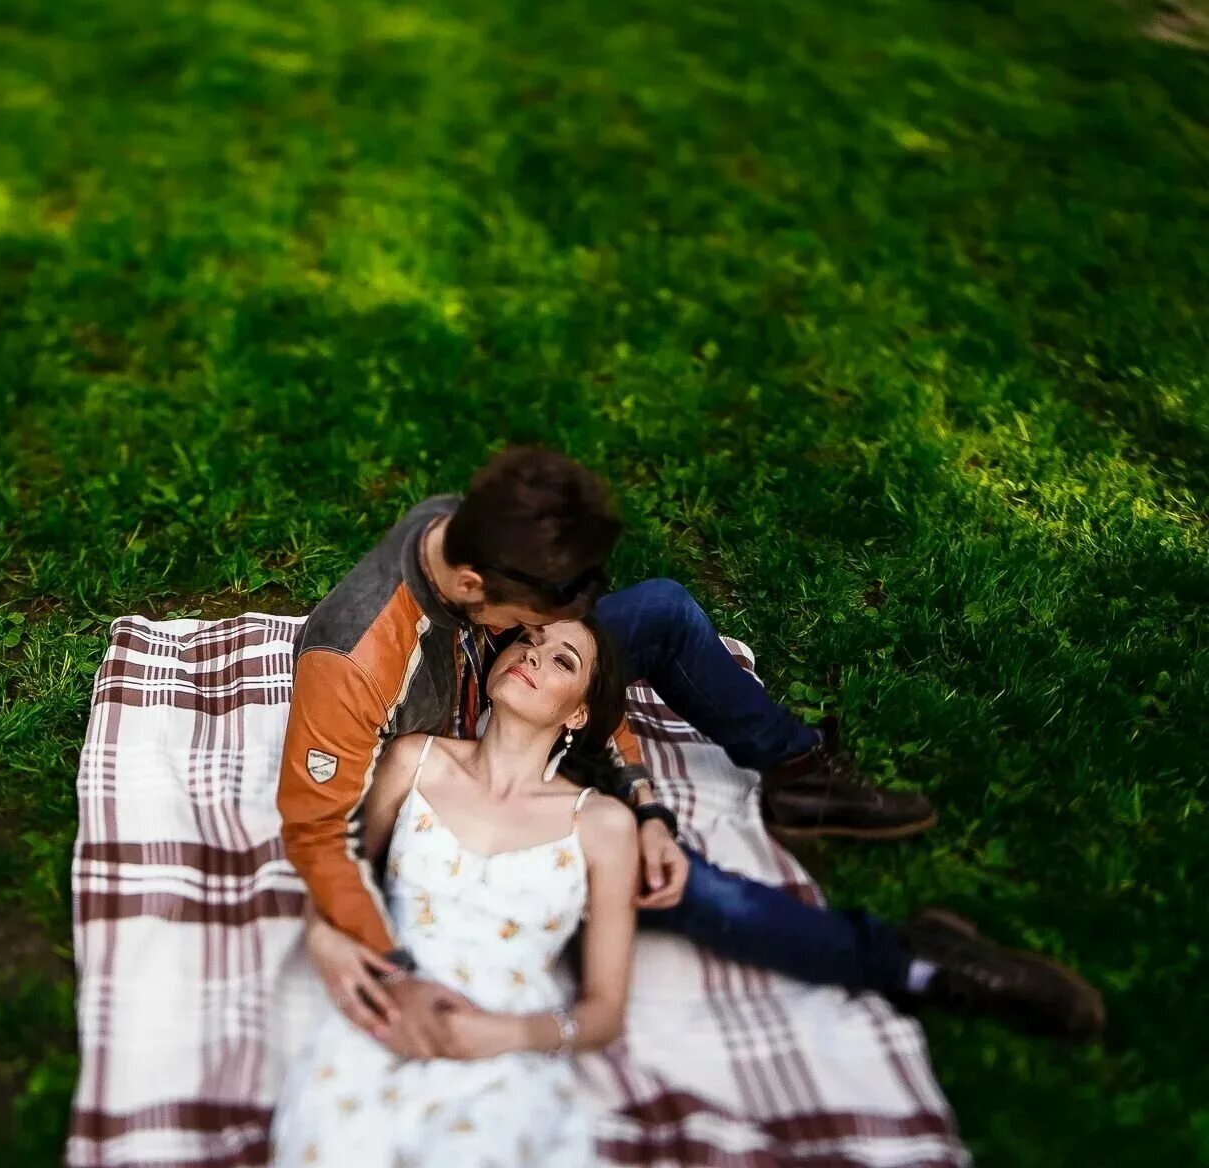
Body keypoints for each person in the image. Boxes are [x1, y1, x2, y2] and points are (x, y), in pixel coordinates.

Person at [277, 446, 1104, 1045]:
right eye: (533, 622)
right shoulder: (353, 667)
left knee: (664, 609)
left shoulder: (466, 536)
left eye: (553, 631)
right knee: (682, 890)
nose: (541, 638)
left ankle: (798, 771)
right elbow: (322, 835)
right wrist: (352, 936)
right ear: (472, 589)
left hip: (516, 717)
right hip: (470, 790)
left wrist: (648, 805)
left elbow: (574, 678)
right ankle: (912, 960)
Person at [272, 616, 638, 1168]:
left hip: (506, 1053)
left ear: (579, 713)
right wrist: (328, 940)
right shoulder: (416, 760)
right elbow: (338, 874)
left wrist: (505, 1034)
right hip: (384, 1019)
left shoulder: (603, 825)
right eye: (528, 641)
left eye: (563, 660)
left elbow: (605, 1011)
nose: (532, 655)